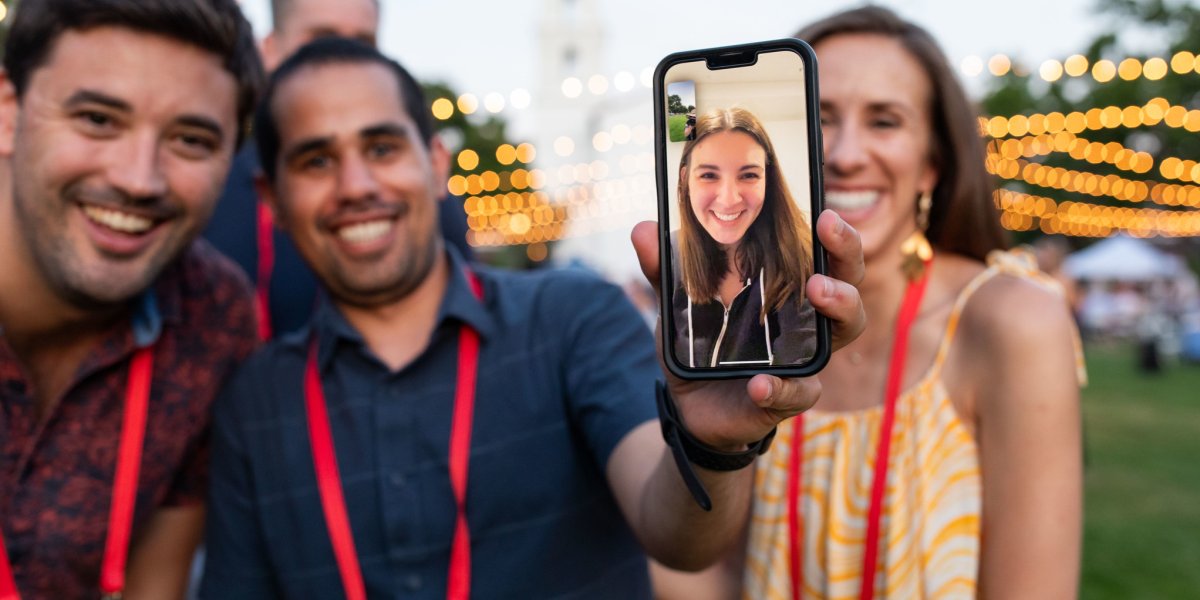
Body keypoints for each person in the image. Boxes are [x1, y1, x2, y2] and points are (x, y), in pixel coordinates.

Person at [200, 37, 866, 599]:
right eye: (316, 160)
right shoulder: (252, 400)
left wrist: (713, 447)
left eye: (381, 148)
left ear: (434, 164)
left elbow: (679, 539)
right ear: (272, 198)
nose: (356, 186)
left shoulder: (573, 317)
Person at [655, 6, 1086, 599]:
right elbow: (701, 570)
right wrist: (710, 446)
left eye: (885, 121)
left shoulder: (1010, 320)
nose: (847, 153)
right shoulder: (746, 329)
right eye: (821, 118)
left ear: (932, 164)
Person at [0, 0, 263, 598]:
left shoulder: (213, 317)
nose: (139, 179)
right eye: (97, 119)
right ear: (8, 111)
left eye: (191, 140)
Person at [202, 0, 472, 341]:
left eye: (363, 43)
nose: (356, 188)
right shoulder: (211, 187)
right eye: (320, 40)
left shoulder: (417, 198)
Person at [672, 107, 816, 367]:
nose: (729, 199)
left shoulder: (800, 255)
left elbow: (799, 362)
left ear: (767, 179)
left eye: (748, 175)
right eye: (708, 175)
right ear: (685, 180)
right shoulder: (669, 255)